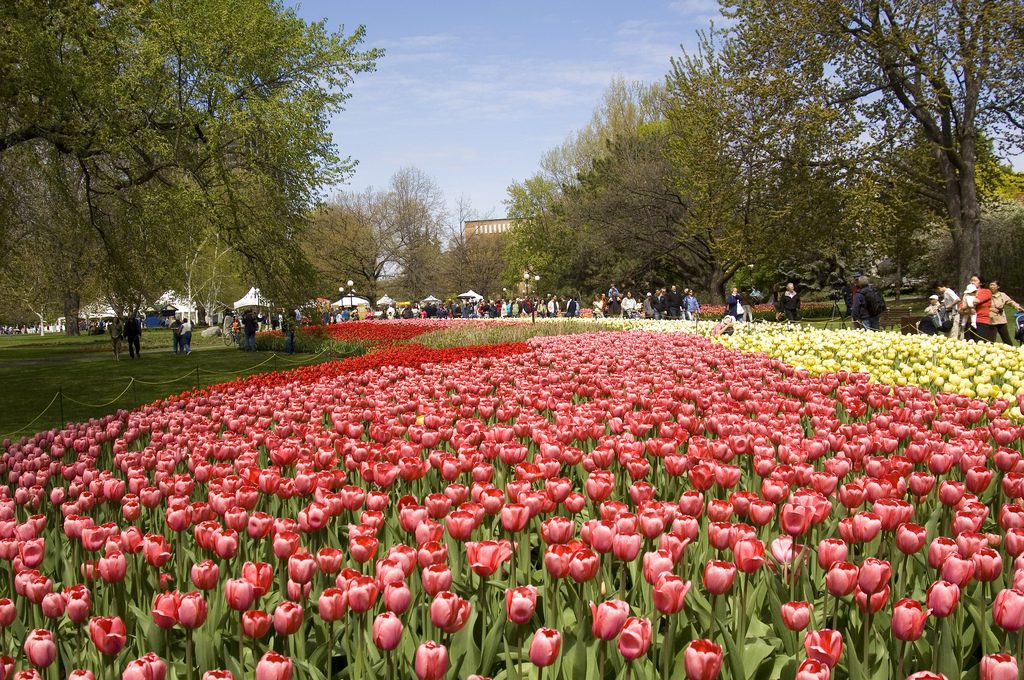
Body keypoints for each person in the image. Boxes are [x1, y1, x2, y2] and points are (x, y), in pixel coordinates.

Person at [988, 280, 1022, 345]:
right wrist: (991, 309)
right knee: (990, 341)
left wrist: (1017, 306)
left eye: (993, 285)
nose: (991, 286)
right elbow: (983, 306)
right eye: (990, 285)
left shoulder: (1002, 295)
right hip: (991, 320)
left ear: (998, 287)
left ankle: (1012, 352)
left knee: (1007, 340)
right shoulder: (987, 295)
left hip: (1001, 320)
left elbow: (1010, 302)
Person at [965, 275, 993, 342]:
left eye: (975, 280)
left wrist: (967, 303)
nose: (972, 282)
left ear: (981, 283)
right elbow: (961, 309)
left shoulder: (986, 292)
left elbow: (976, 301)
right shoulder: (967, 293)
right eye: (971, 280)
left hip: (981, 322)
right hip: (968, 322)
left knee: (980, 344)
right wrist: (966, 309)